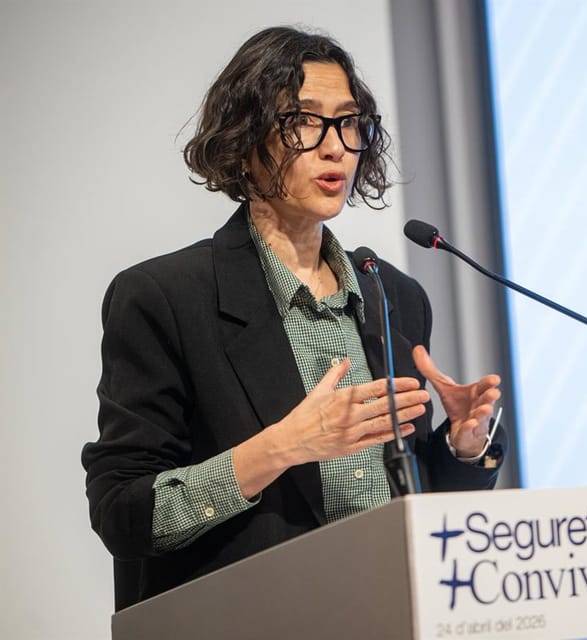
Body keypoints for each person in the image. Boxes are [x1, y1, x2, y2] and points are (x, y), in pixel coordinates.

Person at [81, 26, 506, 610]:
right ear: (244, 137)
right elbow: (122, 515)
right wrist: (284, 446)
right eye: (305, 122)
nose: (335, 147)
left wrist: (459, 448)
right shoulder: (165, 298)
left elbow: (406, 501)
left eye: (350, 123)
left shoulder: (392, 294)